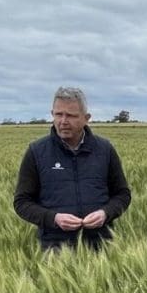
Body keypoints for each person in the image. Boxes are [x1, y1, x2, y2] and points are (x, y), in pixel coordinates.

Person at [13, 87, 131, 250]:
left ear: (86, 118)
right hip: (55, 250)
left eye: (71, 115)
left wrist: (105, 213)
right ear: (52, 114)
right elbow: (22, 202)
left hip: (102, 247)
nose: (63, 121)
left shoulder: (105, 150)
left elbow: (122, 195)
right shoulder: (36, 152)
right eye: (58, 114)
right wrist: (53, 218)